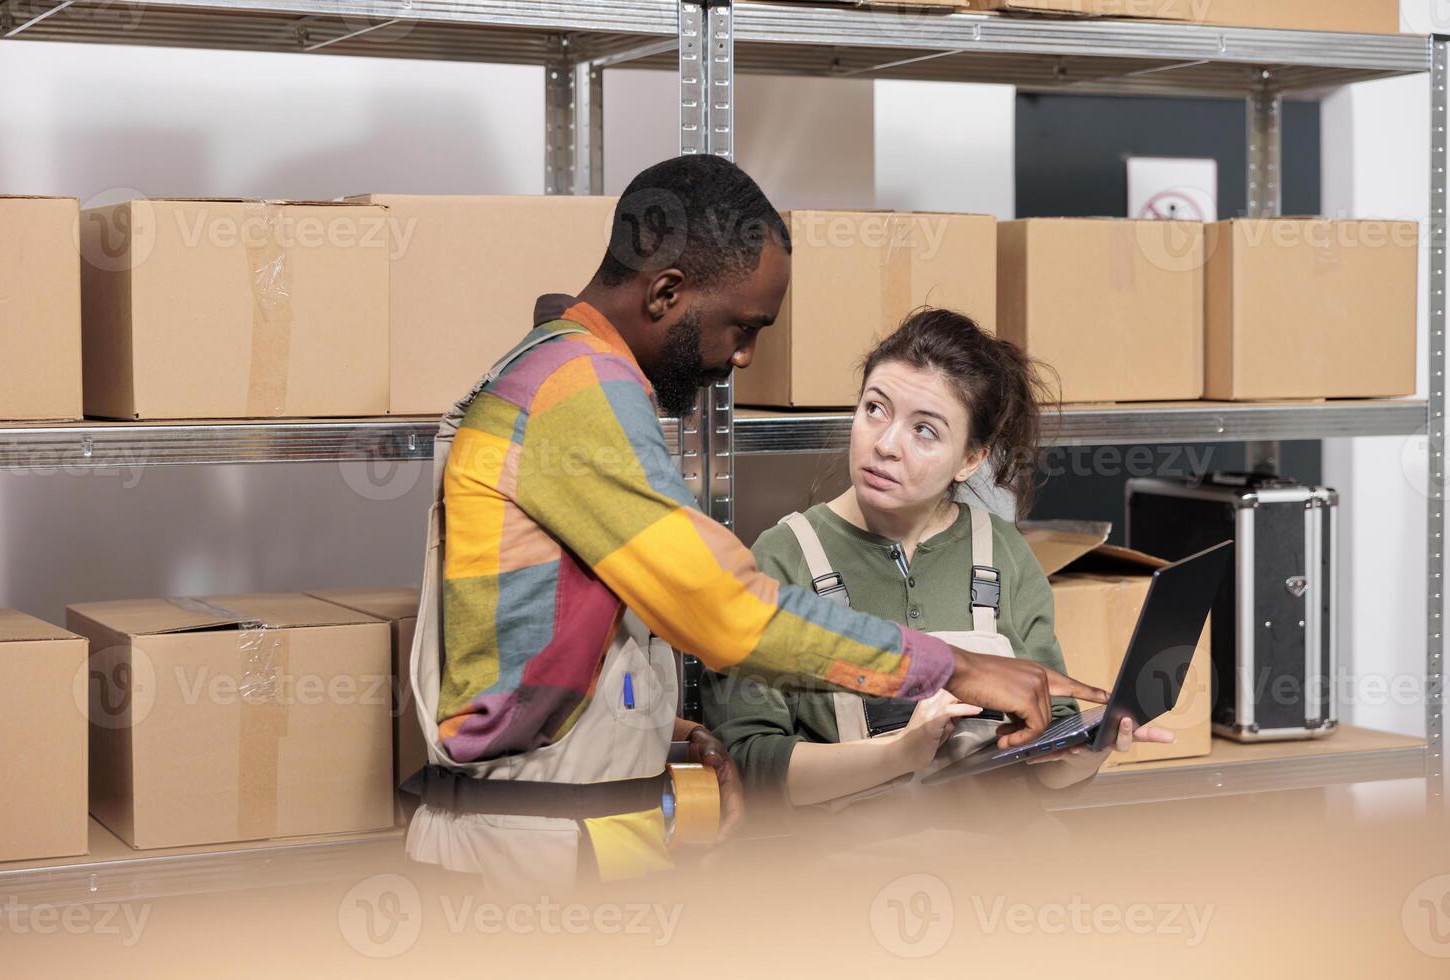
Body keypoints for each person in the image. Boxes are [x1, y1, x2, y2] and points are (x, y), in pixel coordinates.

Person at [402, 156, 1107, 888]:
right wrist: (957, 666)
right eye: (742, 327)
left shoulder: (560, 378)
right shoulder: (576, 394)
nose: (742, 356)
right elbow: (727, 613)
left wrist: (672, 737)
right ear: (667, 293)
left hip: (562, 842)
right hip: (531, 863)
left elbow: (540, 640)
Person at [701, 308, 1174, 811]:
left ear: (971, 459)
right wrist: (899, 754)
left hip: (1005, 868)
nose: (884, 445)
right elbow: (751, 767)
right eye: (874, 409)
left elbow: (1048, 756)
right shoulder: (781, 558)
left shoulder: (1003, 552)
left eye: (924, 431)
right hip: (852, 876)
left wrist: (1087, 750)